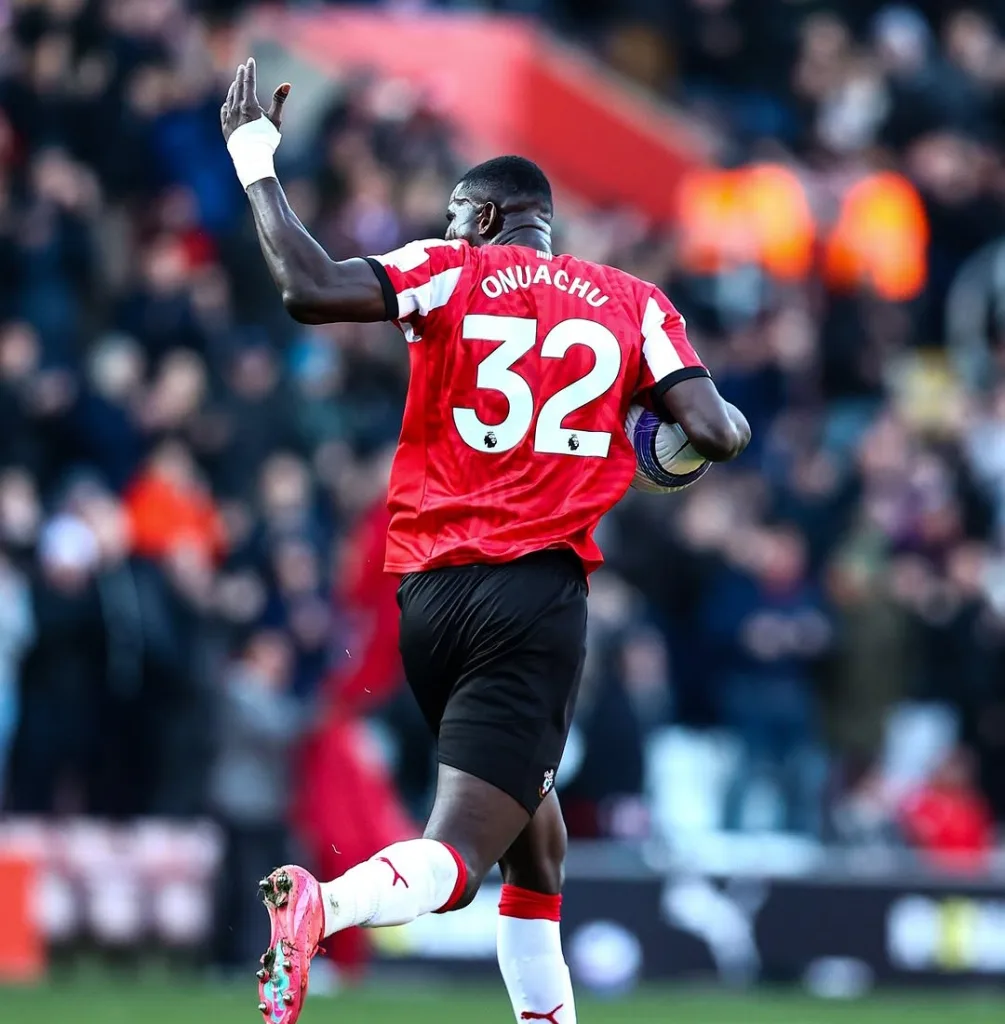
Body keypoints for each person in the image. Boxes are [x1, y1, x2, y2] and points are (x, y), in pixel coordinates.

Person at [220, 58, 750, 1024]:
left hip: (428, 600)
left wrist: (256, 160)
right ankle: (325, 905)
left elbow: (308, 287)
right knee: (463, 850)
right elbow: (715, 432)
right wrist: (670, 443)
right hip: (532, 601)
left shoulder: (445, 268)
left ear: (492, 215)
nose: (450, 224)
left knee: (534, 846)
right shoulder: (632, 301)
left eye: (458, 213)